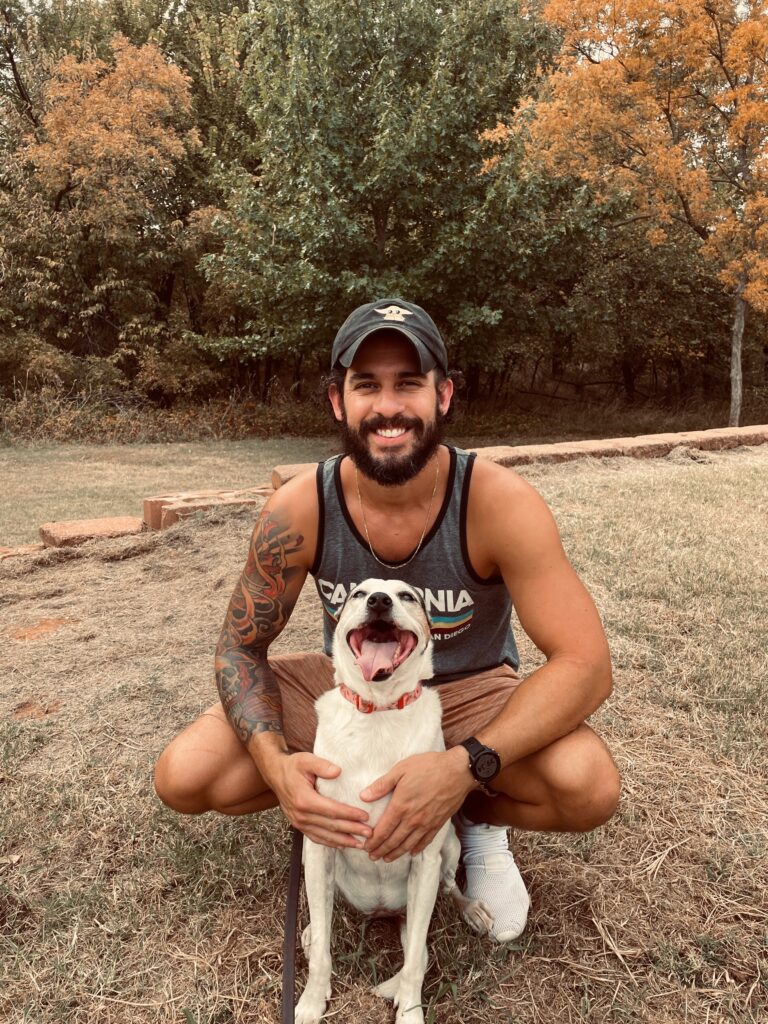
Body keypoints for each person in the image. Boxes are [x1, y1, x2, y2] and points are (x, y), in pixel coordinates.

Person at [154, 297, 621, 943]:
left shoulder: (497, 501)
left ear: (445, 395)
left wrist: (463, 767)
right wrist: (274, 767)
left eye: (409, 383)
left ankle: (472, 820)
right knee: (187, 777)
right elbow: (240, 648)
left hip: (466, 690)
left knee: (586, 786)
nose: (389, 406)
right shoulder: (300, 507)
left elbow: (586, 664)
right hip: (349, 689)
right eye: (366, 384)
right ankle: (341, 811)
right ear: (338, 401)